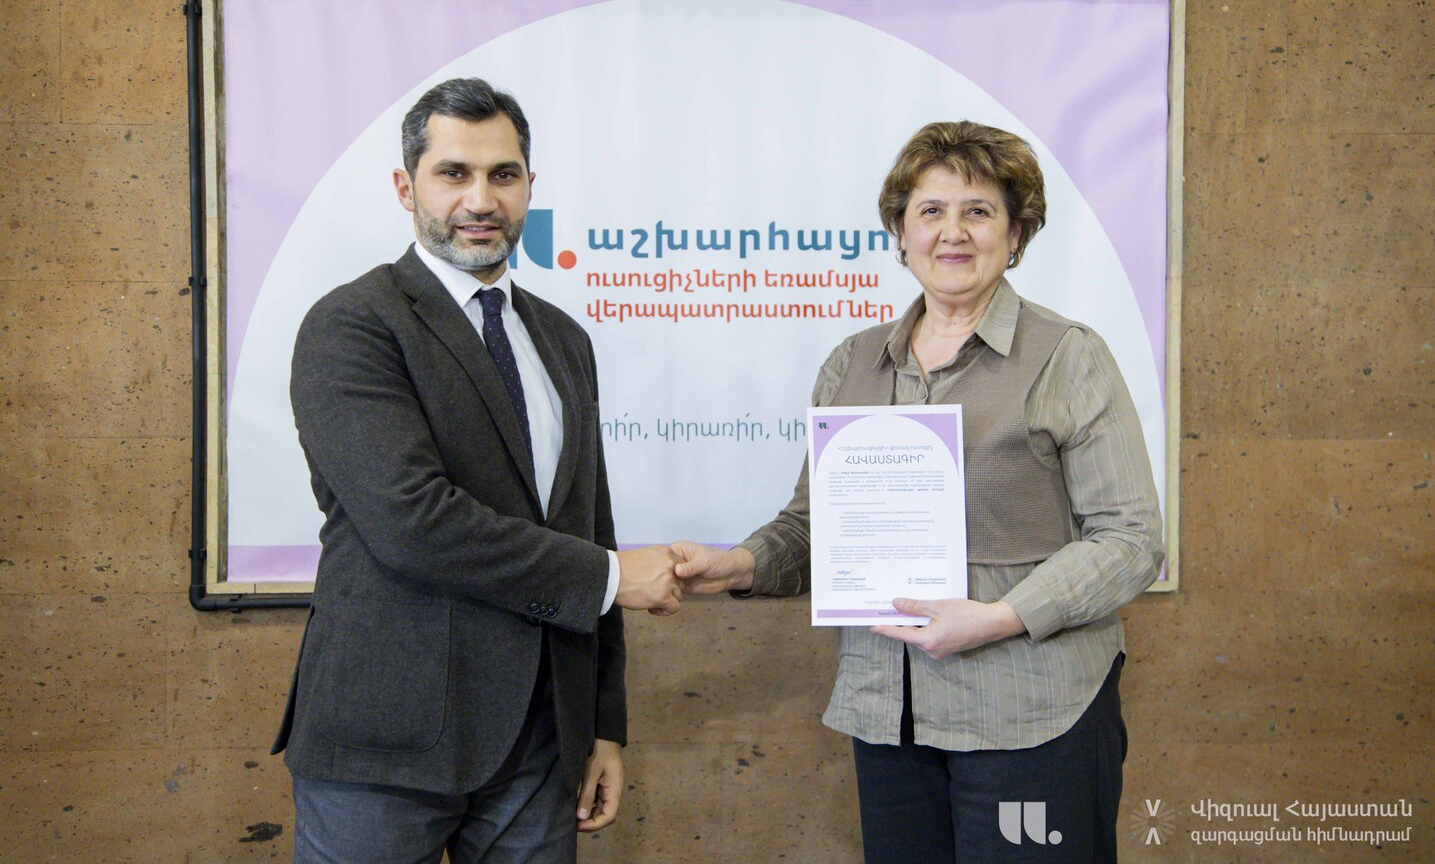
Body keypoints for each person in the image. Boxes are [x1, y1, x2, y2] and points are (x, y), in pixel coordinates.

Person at [673, 121, 1164, 863]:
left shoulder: (1068, 356)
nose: (952, 232)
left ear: (1016, 233)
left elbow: (1129, 539)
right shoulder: (852, 364)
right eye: (930, 211)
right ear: (900, 234)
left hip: (1031, 714)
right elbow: (813, 526)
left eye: (978, 211)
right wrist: (737, 565)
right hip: (889, 716)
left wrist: (998, 618)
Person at [272, 77, 682, 864]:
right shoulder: (352, 325)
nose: (481, 199)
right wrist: (607, 577)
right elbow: (412, 522)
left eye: (503, 174)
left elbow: (588, 525)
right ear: (406, 188)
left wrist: (601, 723)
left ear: (529, 186)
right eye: (453, 173)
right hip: (386, 744)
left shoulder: (562, 339)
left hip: (539, 742)